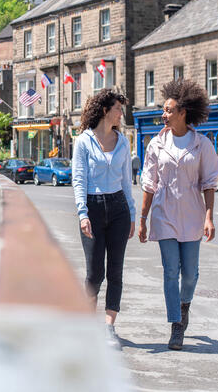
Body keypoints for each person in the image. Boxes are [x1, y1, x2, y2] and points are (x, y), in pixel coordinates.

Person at [138, 79, 218, 351]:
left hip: (193, 216)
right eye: (164, 109)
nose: (164, 114)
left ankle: (185, 305)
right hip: (164, 215)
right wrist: (143, 219)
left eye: (169, 110)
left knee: (191, 274)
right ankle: (176, 325)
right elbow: (149, 184)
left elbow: (208, 183)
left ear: (183, 112)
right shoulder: (156, 144)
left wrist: (209, 217)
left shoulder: (201, 144)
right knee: (171, 270)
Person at [72, 89, 136, 348]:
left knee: (116, 271)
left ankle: (109, 327)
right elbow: (78, 180)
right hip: (93, 208)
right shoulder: (83, 142)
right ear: (105, 110)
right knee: (94, 273)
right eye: (118, 109)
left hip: (119, 207)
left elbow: (127, 182)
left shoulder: (123, 142)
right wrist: (82, 213)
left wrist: (132, 214)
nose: (122, 113)